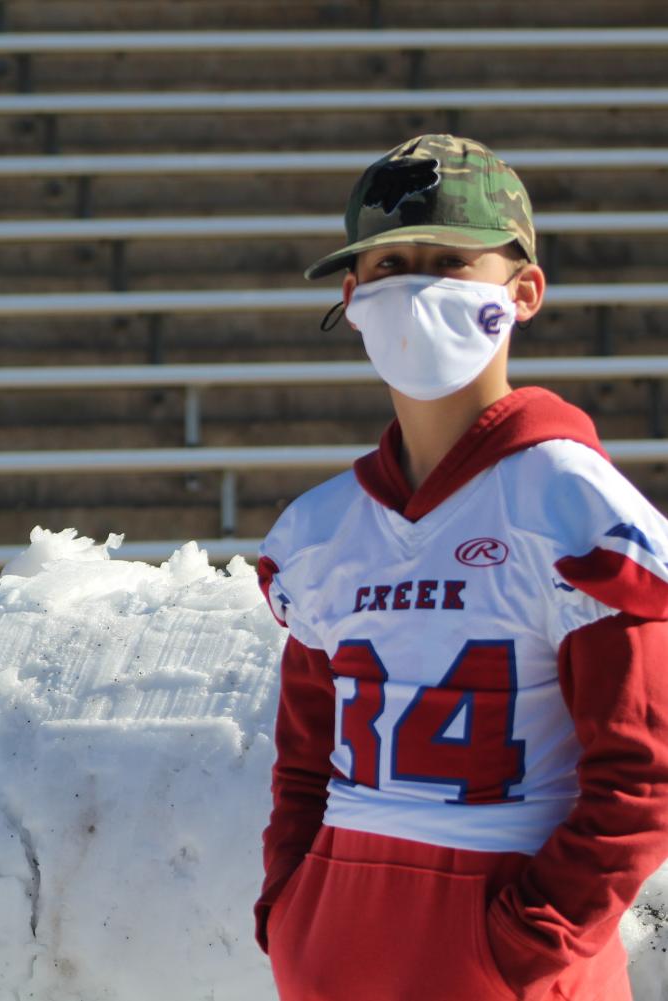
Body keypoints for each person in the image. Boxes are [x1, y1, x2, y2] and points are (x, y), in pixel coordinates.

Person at [255, 134, 668, 1000]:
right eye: (389, 261)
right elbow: (302, 762)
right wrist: (291, 908)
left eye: (446, 260)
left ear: (523, 293)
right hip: (336, 941)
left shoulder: (575, 510)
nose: (411, 283)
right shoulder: (320, 529)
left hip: (502, 945)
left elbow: (644, 775)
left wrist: (530, 939)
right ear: (350, 294)